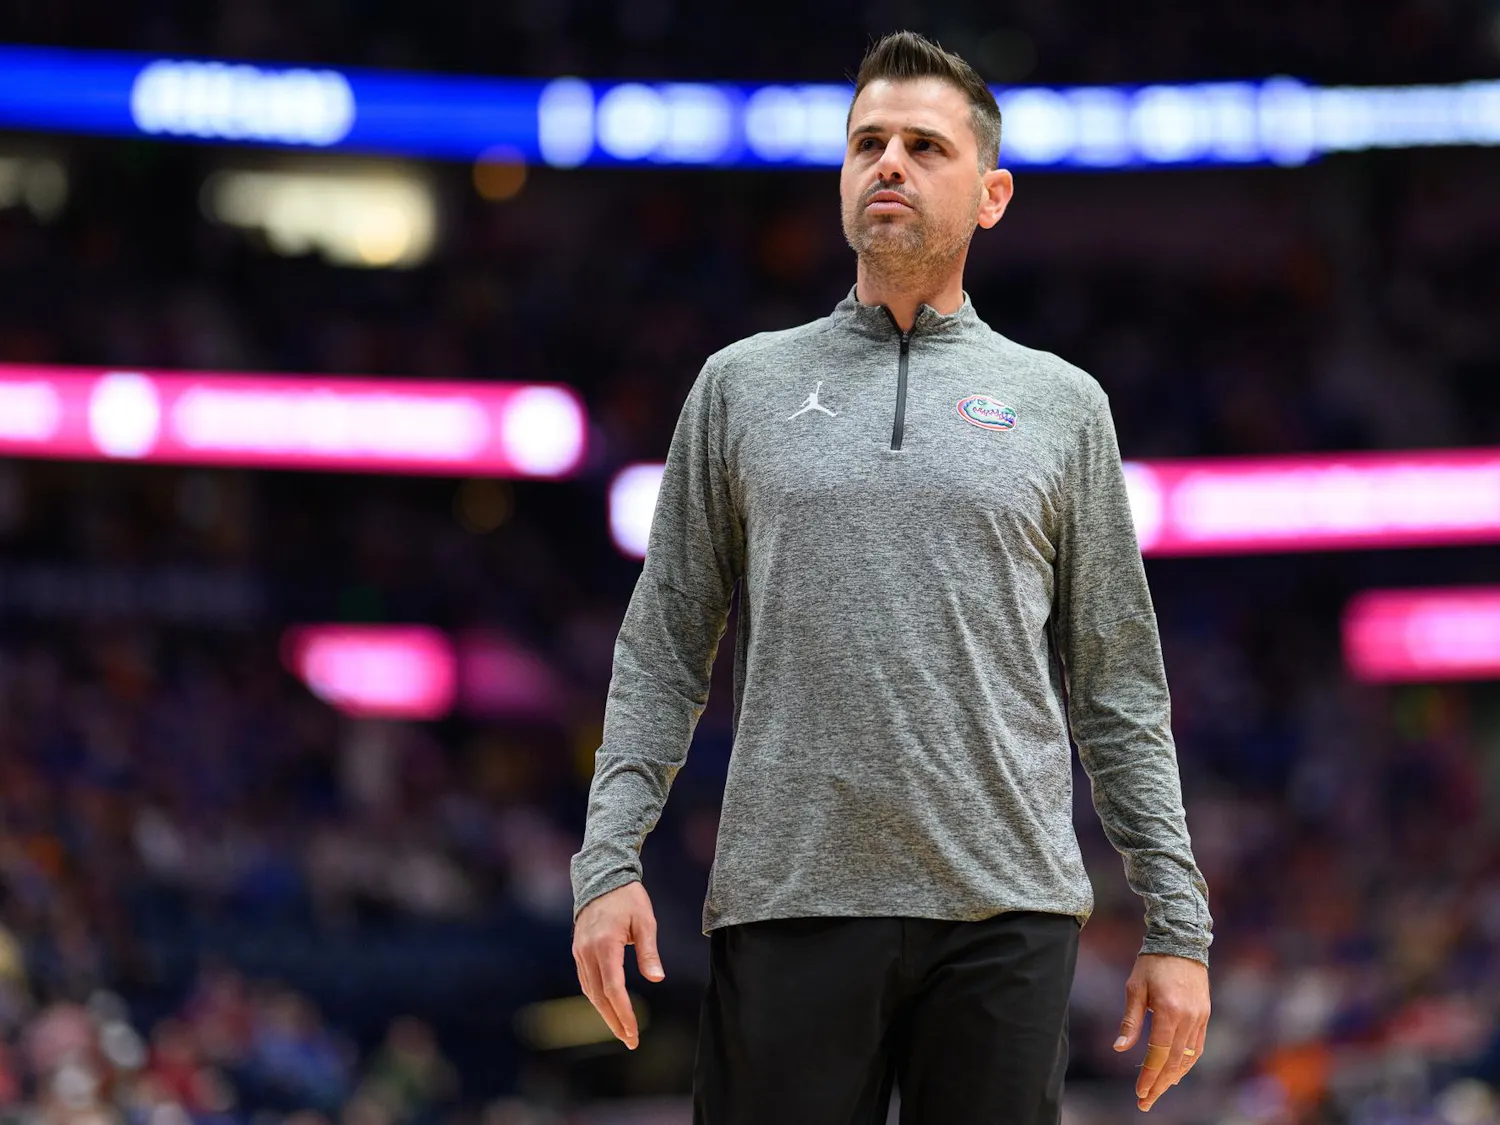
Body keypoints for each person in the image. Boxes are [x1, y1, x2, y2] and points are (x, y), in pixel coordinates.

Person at [570, 29, 1213, 1123]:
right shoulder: (740, 389)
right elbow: (664, 647)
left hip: (1008, 912)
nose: (890, 165)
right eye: (868, 142)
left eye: (924, 146)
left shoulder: (1065, 407)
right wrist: (606, 863)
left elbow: (1118, 687)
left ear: (992, 193)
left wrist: (1177, 927)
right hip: (789, 898)